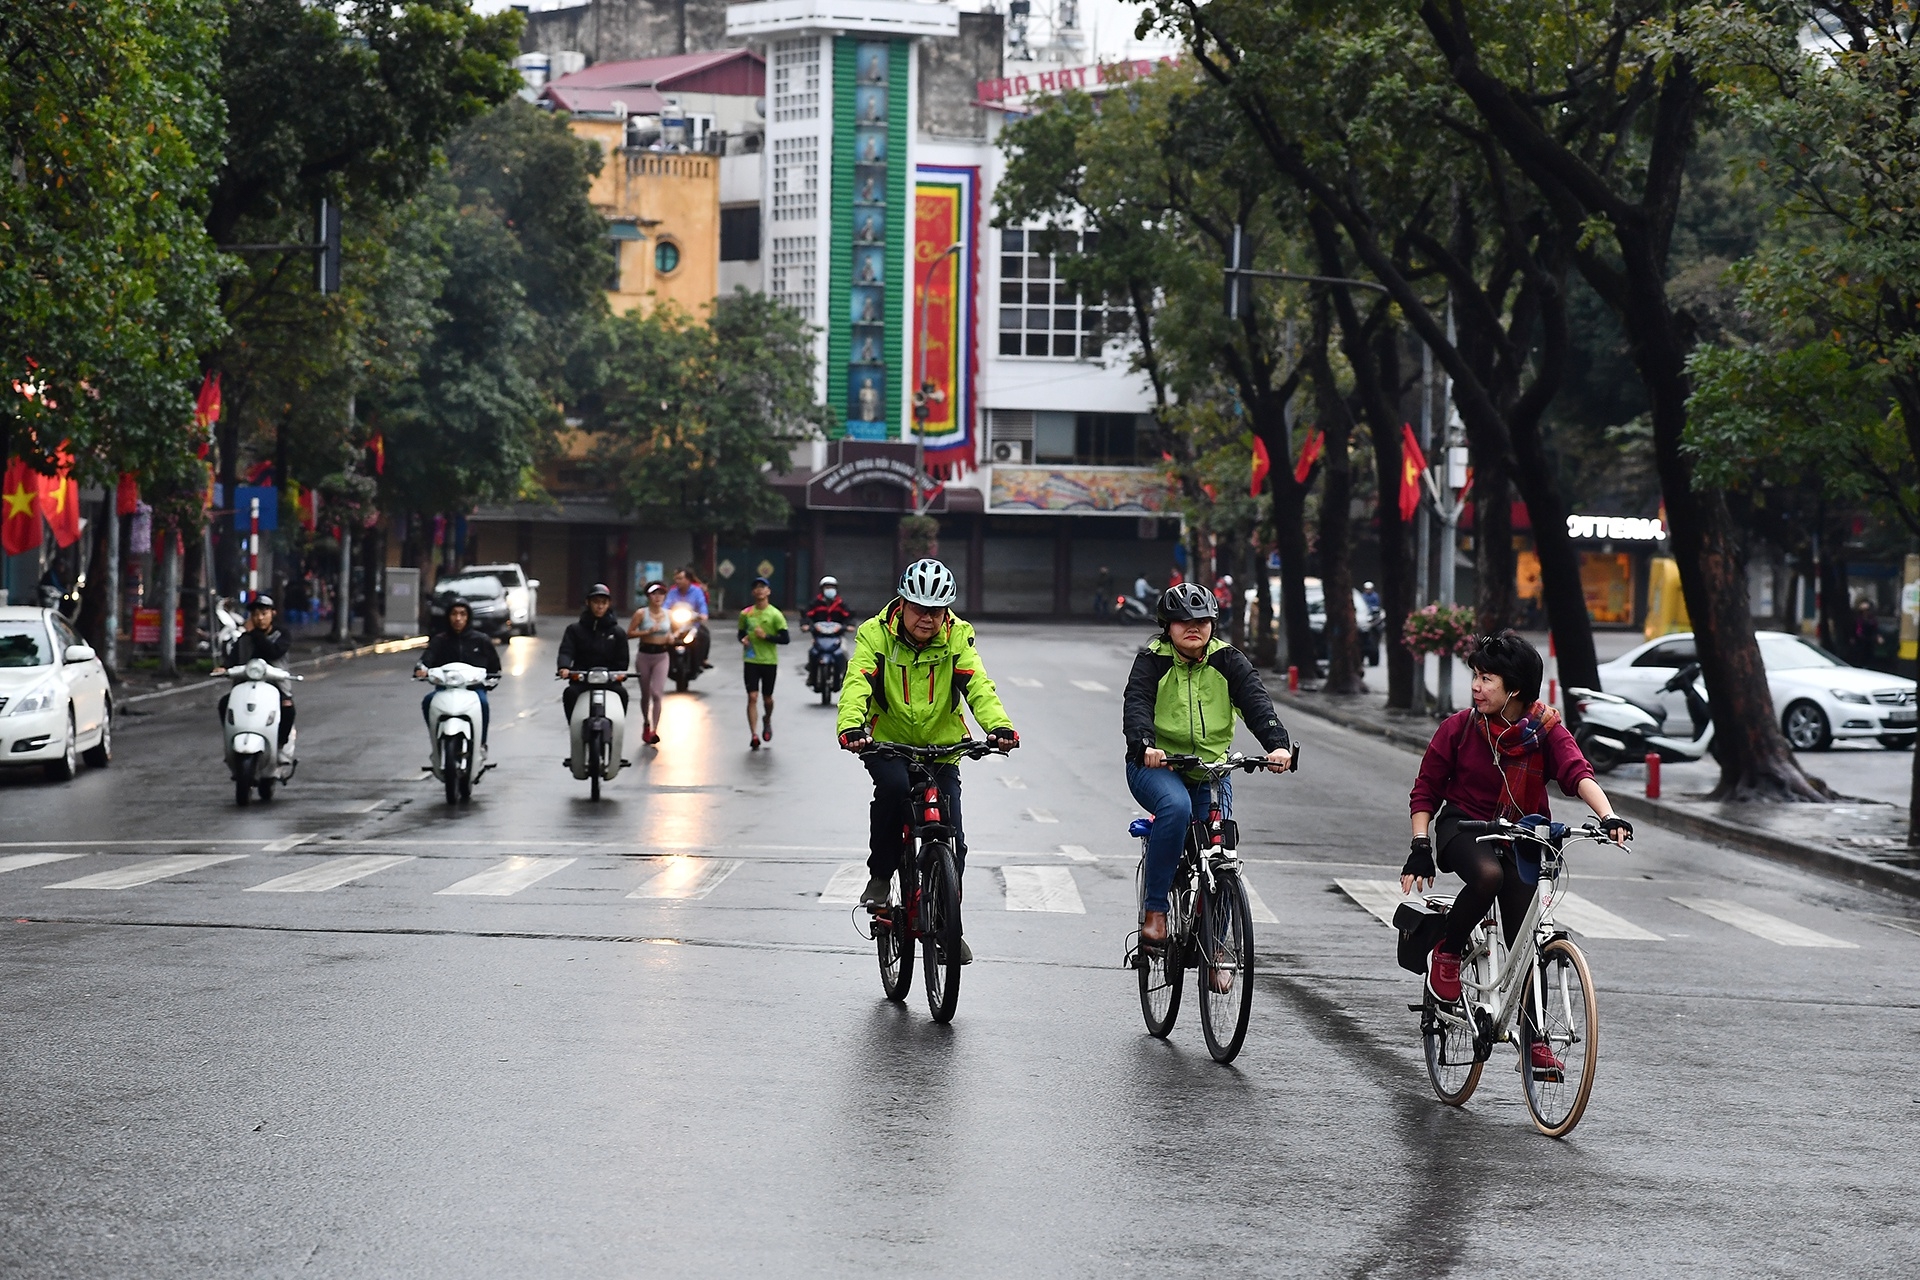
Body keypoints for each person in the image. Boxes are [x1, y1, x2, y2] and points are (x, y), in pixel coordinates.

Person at [1403, 631, 1631, 1071]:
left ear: (1515, 690)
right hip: (1464, 827)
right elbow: (1426, 789)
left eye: (1487, 678)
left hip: (1522, 834)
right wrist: (1419, 844)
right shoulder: (1460, 727)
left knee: (1527, 939)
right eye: (1475, 676)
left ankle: (1535, 1040)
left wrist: (1609, 816)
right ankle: (1448, 954)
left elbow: (1576, 772)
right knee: (1488, 876)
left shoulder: (1546, 730)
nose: (1476, 686)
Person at [837, 558, 1019, 965]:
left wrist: (999, 726)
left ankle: (947, 925)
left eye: (936, 611)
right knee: (894, 791)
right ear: (902, 604)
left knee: (952, 831)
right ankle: (881, 877)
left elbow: (978, 685)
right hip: (886, 742)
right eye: (919, 609)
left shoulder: (958, 635)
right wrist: (852, 726)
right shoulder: (874, 634)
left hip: (943, 746)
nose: (927, 618)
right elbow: (857, 683)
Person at [1124, 583, 1292, 956]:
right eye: (1182, 621)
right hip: (1156, 767)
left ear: (1213, 624)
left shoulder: (1228, 660)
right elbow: (1136, 704)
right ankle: (1156, 911)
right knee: (1176, 808)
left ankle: (1216, 945)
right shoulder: (1152, 660)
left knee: (1222, 848)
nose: (1192, 627)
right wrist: (1145, 745)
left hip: (1211, 770)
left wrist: (1277, 745)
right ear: (1167, 626)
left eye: (1201, 620)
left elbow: (1257, 705)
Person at [415, 599, 500, 754]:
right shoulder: (440, 640)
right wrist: (421, 669)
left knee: (483, 704)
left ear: (468, 617)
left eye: (462, 614)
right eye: (454, 614)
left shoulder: (481, 640)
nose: (458, 618)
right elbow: (426, 659)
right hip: (444, 688)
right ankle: (436, 739)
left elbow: (494, 667)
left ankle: (481, 743)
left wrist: (490, 680)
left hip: (473, 690)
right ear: (448, 617)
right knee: (428, 701)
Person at [219, 595, 295, 745]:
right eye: (255, 614)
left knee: (288, 709)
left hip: (276, 685)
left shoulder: (282, 634)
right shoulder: (244, 638)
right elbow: (233, 658)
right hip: (246, 684)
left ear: (272, 613)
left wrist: (254, 633)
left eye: (263, 613)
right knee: (225, 704)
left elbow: (273, 652)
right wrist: (224, 667)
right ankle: (231, 738)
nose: (260, 618)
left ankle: (280, 745)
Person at [556, 584, 630, 732]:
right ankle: (575, 730)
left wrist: (619, 673)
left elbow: (622, 659)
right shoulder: (574, 630)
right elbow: (566, 650)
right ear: (588, 603)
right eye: (596, 602)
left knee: (622, 694)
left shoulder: (617, 632)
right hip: (582, 678)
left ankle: (616, 732)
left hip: (609, 680)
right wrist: (564, 667)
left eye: (604, 603)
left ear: (609, 604)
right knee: (570, 694)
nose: (600, 606)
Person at [739, 576, 790, 750]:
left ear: (768, 591)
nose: (759, 590)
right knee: (752, 696)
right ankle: (753, 734)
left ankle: (767, 719)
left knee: (767, 698)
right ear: (753, 592)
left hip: (769, 661)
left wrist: (767, 637)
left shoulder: (775, 614)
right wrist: (743, 639)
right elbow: (740, 633)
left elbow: (785, 639)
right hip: (751, 659)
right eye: (756, 587)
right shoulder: (746, 613)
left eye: (763, 587)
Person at [627, 581, 672, 745]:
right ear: (648, 596)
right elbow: (629, 633)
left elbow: (677, 631)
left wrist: (673, 637)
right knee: (645, 694)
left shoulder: (669, 614)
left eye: (661, 593)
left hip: (662, 655)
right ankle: (646, 722)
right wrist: (647, 631)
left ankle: (655, 730)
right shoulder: (641, 613)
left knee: (657, 693)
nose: (658, 597)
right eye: (654, 594)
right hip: (645, 655)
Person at [663, 567, 711, 670]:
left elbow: (702, 604)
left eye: (680, 578)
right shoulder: (673, 591)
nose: (677, 581)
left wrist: (703, 614)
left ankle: (702, 660)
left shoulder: (697, 591)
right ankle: (664, 662)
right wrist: (663, 613)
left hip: (692, 624)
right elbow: (666, 604)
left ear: (688, 579)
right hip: (675, 624)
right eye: (676, 579)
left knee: (705, 635)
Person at [1850, 598, 1880, 667]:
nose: (1865, 612)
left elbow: (1875, 629)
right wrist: (1853, 638)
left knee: (1869, 657)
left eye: (1867, 610)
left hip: (1869, 641)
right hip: (1859, 641)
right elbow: (1854, 629)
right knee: (1860, 656)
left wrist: (1877, 637)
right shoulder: (1857, 619)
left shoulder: (1871, 619)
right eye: (1863, 610)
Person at [1361, 581, 1384, 667]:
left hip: (1372, 617)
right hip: (1364, 617)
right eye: (1366, 589)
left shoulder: (1375, 596)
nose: (1368, 590)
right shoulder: (1362, 597)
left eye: (1369, 589)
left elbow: (1376, 606)